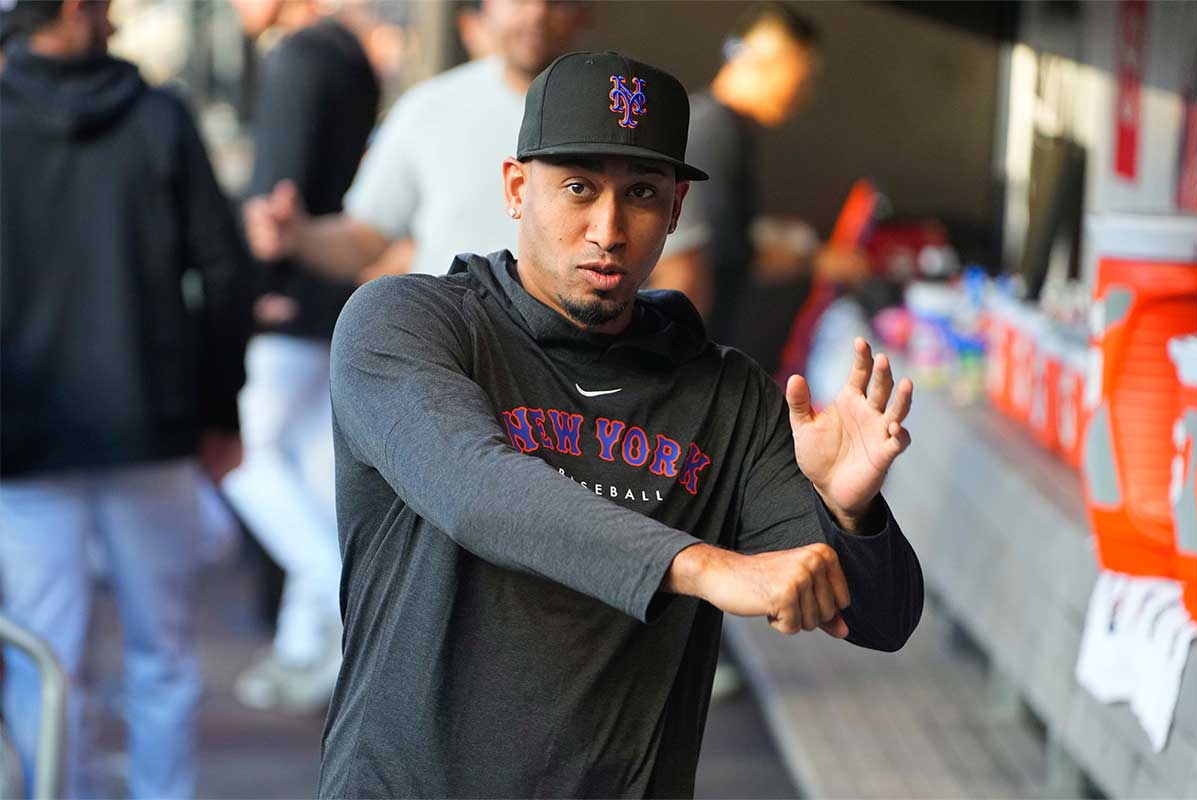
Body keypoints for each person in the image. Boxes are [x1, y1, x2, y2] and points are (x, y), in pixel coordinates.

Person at [319, 51, 922, 797]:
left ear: (674, 210)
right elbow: (477, 486)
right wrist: (706, 565)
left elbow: (880, 617)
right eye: (578, 188)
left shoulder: (725, 396)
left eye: (640, 193)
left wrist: (848, 512)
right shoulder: (409, 326)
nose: (608, 228)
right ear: (516, 188)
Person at [0, 1, 252, 796]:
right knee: (164, 658)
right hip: (150, 426)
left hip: (22, 434)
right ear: (79, 9)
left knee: (43, 655)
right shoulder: (159, 117)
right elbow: (223, 270)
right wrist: (220, 408)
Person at [222, 0, 380, 714]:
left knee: (242, 461)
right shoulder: (351, 55)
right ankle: (300, 645)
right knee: (316, 480)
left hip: (286, 296)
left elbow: (273, 201)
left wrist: (258, 290)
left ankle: (343, 609)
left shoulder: (296, 56)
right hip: (335, 292)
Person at [242, 0, 589, 282]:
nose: (537, 12)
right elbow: (364, 237)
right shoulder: (429, 108)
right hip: (444, 351)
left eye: (557, 1)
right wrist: (299, 236)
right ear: (487, 8)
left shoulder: (615, 116)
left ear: (583, 13)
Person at [653, 2, 867, 361]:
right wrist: (817, 260)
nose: (803, 95)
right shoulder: (714, 135)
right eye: (801, 77)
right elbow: (720, 254)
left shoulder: (723, 128)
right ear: (763, 60)